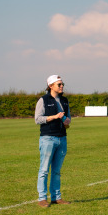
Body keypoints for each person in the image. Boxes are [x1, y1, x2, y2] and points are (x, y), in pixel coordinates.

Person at [34, 75, 72, 207]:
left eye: (62, 84)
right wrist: (54, 117)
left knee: (56, 170)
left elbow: (68, 120)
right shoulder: (43, 100)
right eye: (59, 84)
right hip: (48, 138)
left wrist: (67, 122)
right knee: (44, 170)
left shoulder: (65, 101)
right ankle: (42, 198)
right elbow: (38, 119)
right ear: (51, 86)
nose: (62, 86)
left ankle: (56, 197)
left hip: (62, 138)